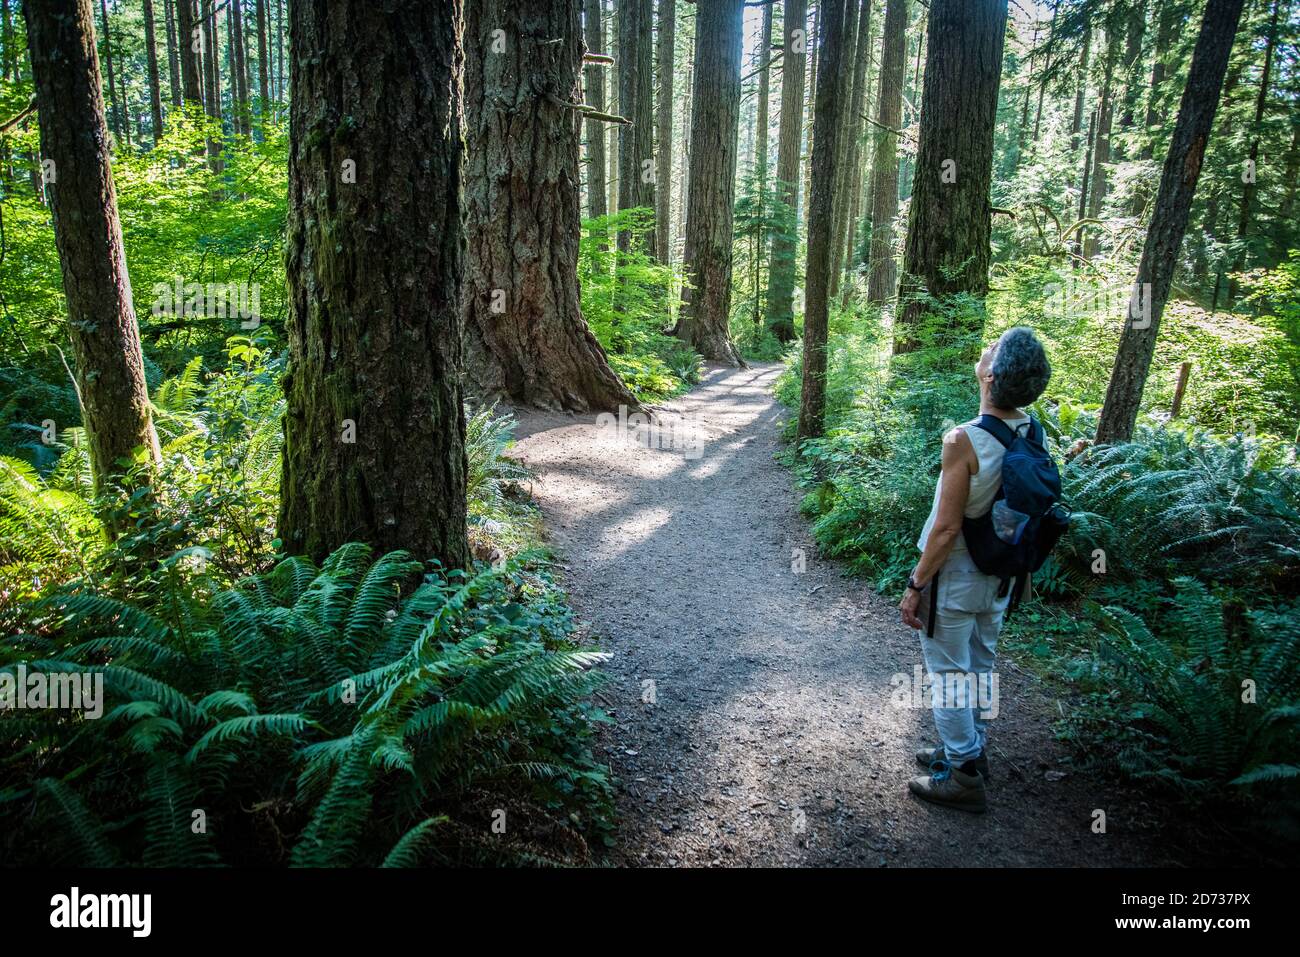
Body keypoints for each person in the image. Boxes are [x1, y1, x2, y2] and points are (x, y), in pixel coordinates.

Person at [898, 327, 1052, 813]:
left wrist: (915, 584)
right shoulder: (1033, 430)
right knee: (981, 666)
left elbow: (945, 530)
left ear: (990, 374)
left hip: (958, 578)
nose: (986, 351)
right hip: (1001, 576)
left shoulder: (964, 439)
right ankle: (969, 749)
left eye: (993, 350)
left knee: (947, 675)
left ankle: (962, 775)